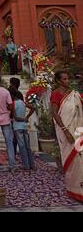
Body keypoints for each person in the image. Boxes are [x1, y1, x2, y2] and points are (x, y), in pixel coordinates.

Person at [51, 71, 83, 202]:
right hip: (66, 133)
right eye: (64, 79)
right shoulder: (56, 94)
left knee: (81, 160)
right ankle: (73, 189)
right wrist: (65, 131)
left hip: (78, 131)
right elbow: (54, 112)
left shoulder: (74, 94)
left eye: (67, 78)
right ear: (58, 81)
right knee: (73, 160)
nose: (67, 80)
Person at [11, 89, 35, 171]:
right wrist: (26, 117)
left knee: (22, 147)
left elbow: (15, 117)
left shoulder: (13, 103)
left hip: (17, 127)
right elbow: (33, 108)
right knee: (27, 146)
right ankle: (32, 165)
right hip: (24, 127)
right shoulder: (23, 102)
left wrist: (23, 119)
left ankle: (26, 165)